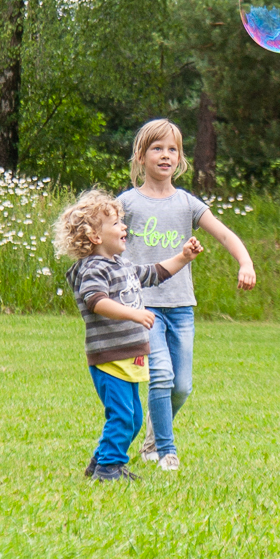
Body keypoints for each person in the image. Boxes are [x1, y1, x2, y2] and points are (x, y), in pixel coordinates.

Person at [119, 119, 255, 472]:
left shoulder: (186, 203)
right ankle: (166, 452)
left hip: (181, 308)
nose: (165, 156)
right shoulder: (127, 203)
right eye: (157, 148)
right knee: (161, 376)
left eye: (172, 150)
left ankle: (152, 435)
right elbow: (105, 239)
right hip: (142, 306)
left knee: (182, 387)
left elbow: (225, 235)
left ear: (180, 159)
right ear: (141, 155)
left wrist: (245, 262)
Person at [56, 189, 202, 482]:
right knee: (122, 416)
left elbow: (154, 273)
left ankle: (100, 462)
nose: (124, 227)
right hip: (109, 356)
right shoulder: (94, 268)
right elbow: (96, 301)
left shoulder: (121, 265)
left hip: (127, 355)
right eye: (116, 224)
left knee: (133, 417)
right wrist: (135, 313)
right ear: (96, 237)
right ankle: (109, 468)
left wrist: (183, 258)